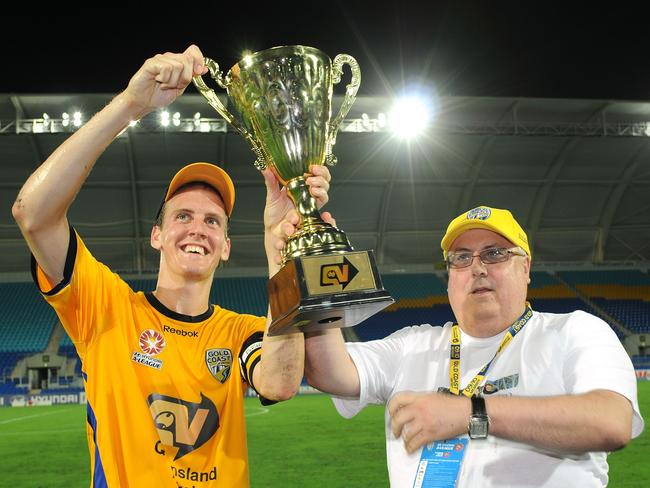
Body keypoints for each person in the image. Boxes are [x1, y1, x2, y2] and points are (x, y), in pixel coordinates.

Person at [12, 45, 332, 487]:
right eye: (182, 216)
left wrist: (281, 249)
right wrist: (129, 105)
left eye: (212, 221)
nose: (198, 228)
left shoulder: (239, 333)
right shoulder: (106, 309)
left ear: (224, 246)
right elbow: (33, 213)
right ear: (157, 236)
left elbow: (278, 382)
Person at [304, 205, 644, 487]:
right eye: (461, 257)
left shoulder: (574, 330)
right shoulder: (412, 345)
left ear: (525, 267)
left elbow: (610, 422)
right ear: (450, 276)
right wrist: (311, 262)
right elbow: (326, 371)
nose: (477, 268)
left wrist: (472, 413)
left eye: (495, 254)